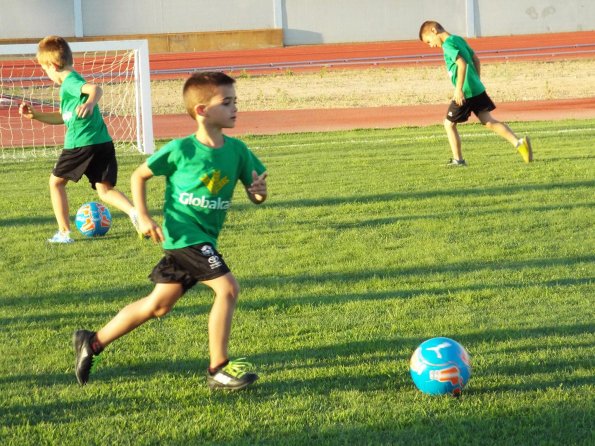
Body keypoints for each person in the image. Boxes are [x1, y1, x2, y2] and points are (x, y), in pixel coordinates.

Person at [72, 72, 268, 391]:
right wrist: (143, 216)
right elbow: (139, 175)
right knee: (228, 288)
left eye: (236, 102)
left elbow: (257, 194)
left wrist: (258, 191)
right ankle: (218, 368)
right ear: (202, 110)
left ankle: (92, 342)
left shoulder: (238, 151)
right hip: (185, 238)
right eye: (227, 102)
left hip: (201, 240)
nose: (235, 108)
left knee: (158, 305)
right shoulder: (181, 150)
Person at [19, 35, 139, 243]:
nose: (45, 73)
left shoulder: (70, 83)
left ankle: (64, 233)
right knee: (104, 189)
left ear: (53, 65)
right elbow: (63, 117)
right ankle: (134, 213)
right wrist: (36, 115)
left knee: (56, 183)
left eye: (44, 69)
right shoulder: (71, 84)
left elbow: (95, 89)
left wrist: (91, 103)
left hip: (80, 144)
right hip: (102, 142)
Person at [418, 21, 533, 166]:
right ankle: (519, 143)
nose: (431, 45)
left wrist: (458, 89)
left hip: (465, 92)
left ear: (434, 31)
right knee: (489, 121)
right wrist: (476, 80)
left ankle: (458, 160)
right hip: (476, 88)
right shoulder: (458, 39)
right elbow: (475, 59)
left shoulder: (447, 45)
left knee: (449, 124)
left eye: (429, 41)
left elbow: (462, 64)